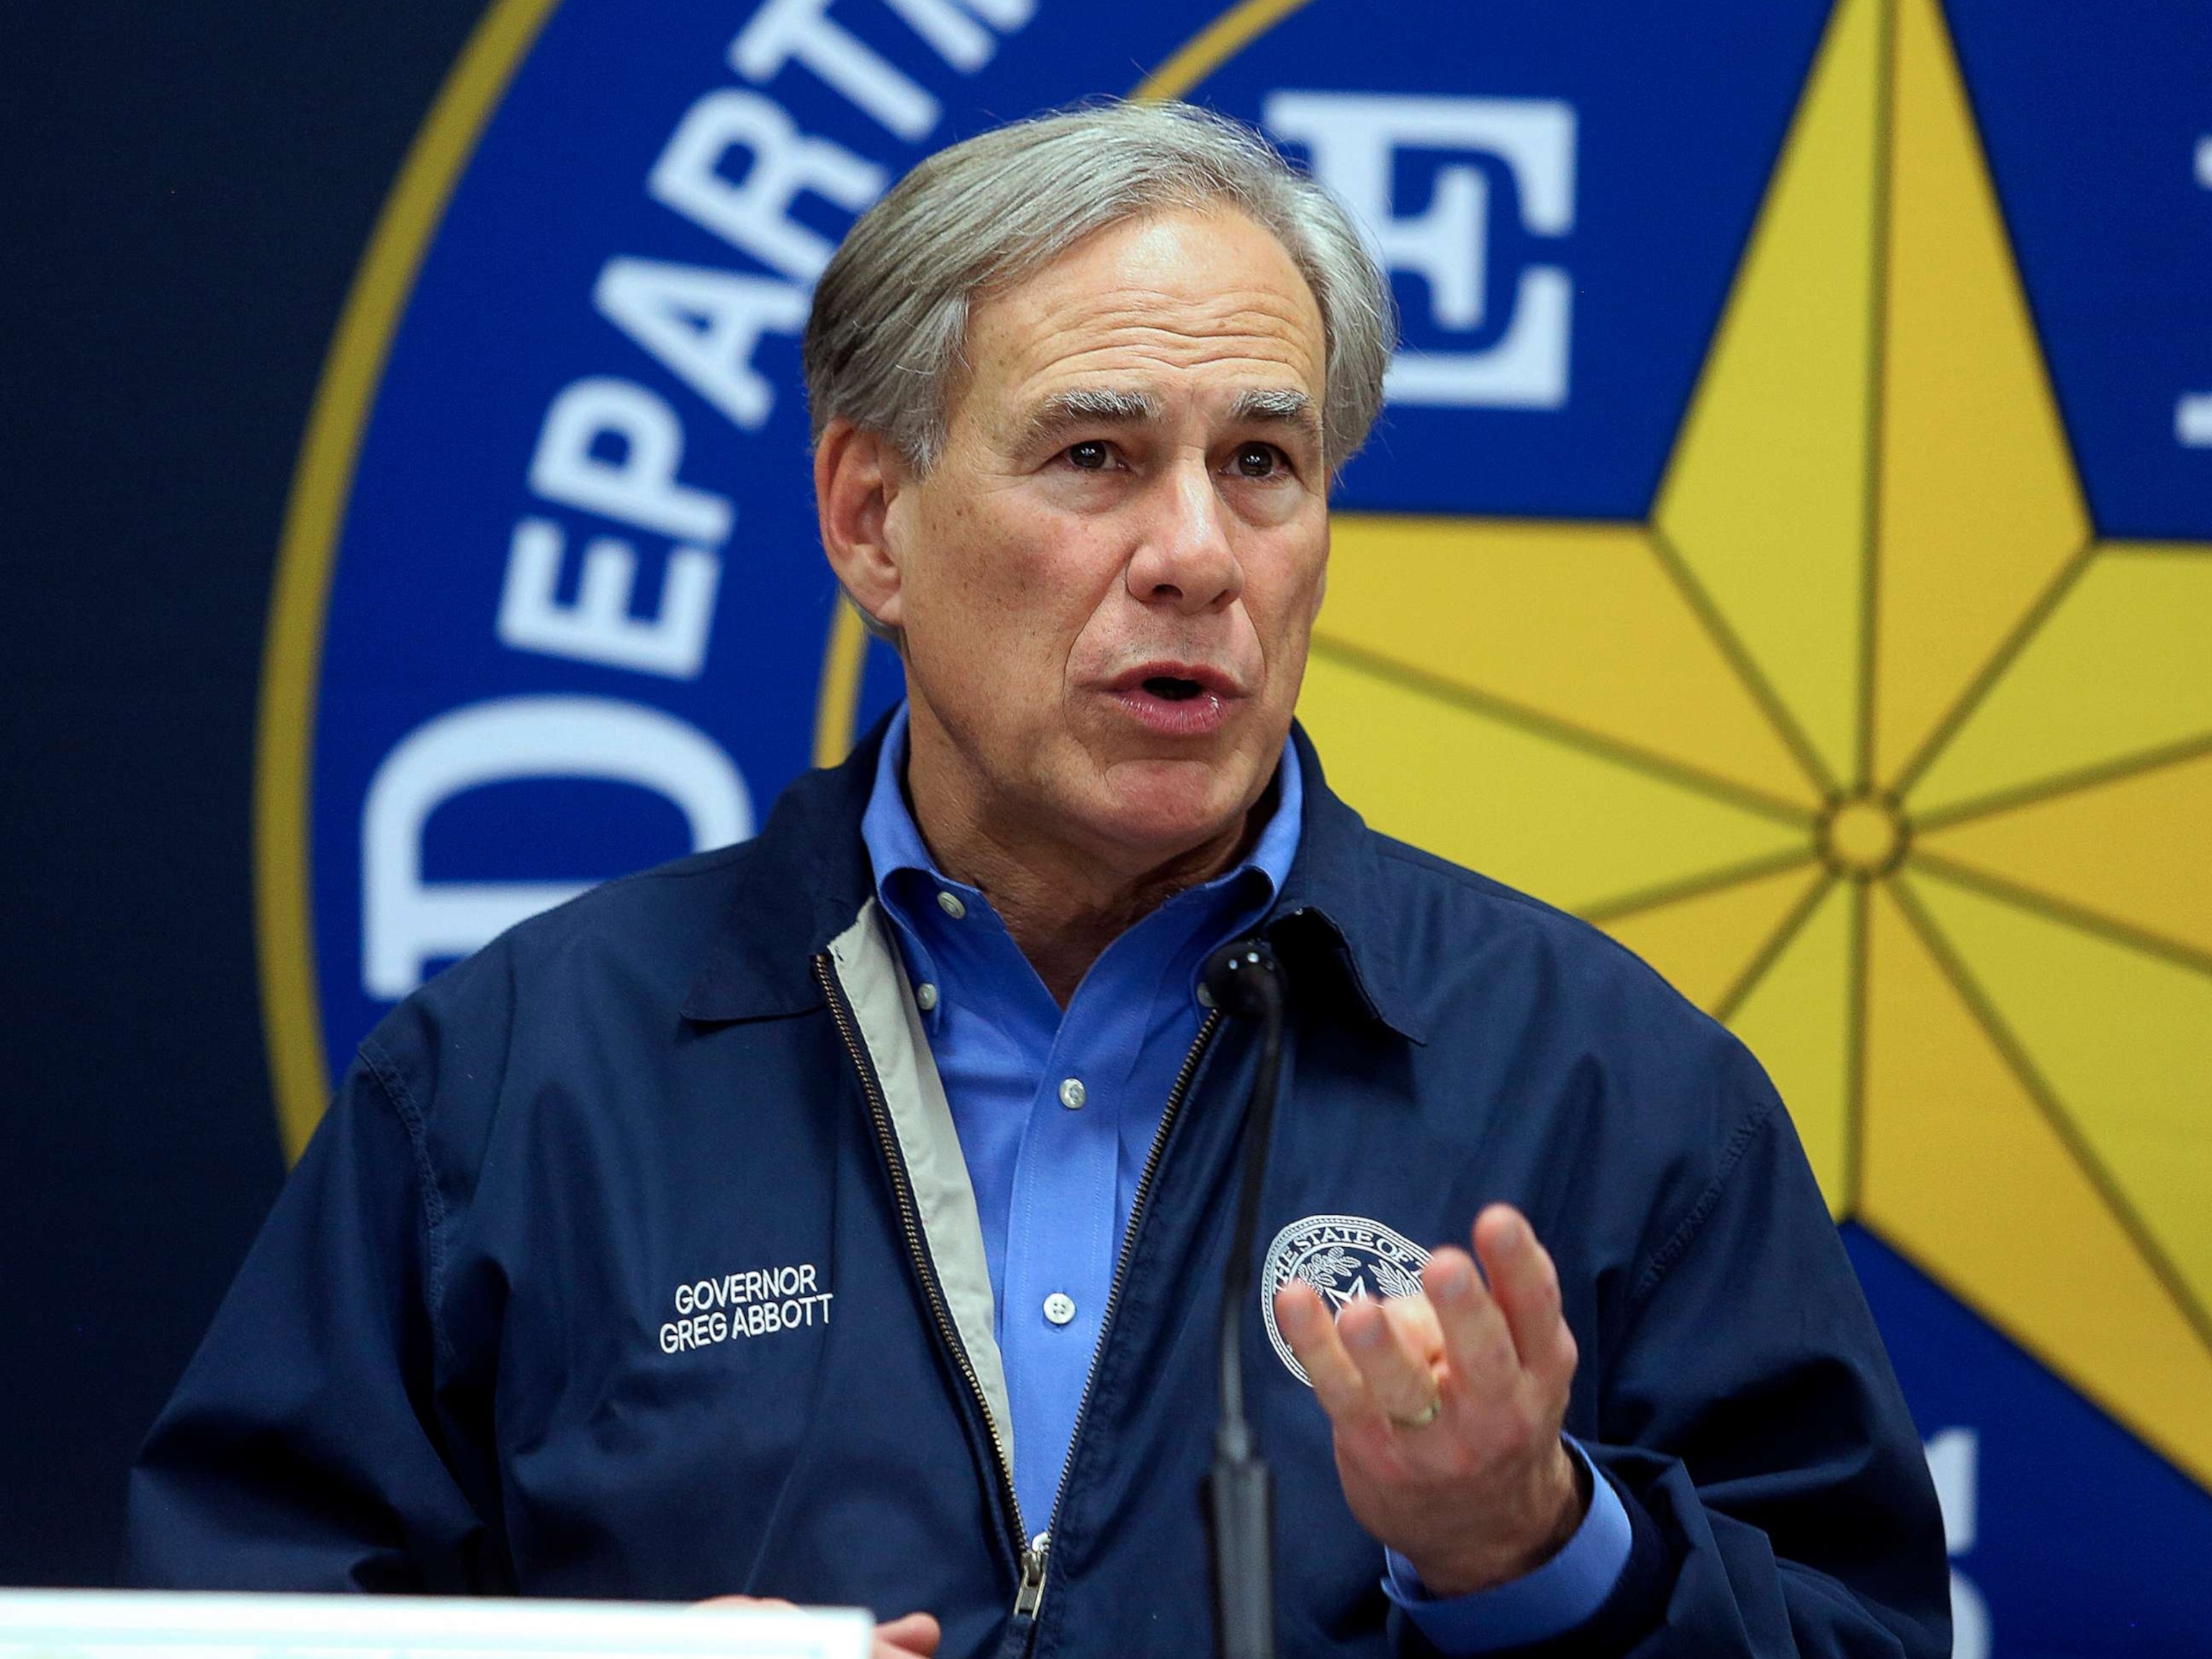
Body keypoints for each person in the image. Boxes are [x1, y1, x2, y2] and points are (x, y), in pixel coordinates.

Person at [129, 102, 1948, 1658]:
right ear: (870, 520)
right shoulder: (521, 1072)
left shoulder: (1611, 1087)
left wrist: (1541, 1554)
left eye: (1263, 465)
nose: (1195, 556)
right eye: (1095, 455)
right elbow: (242, 1608)